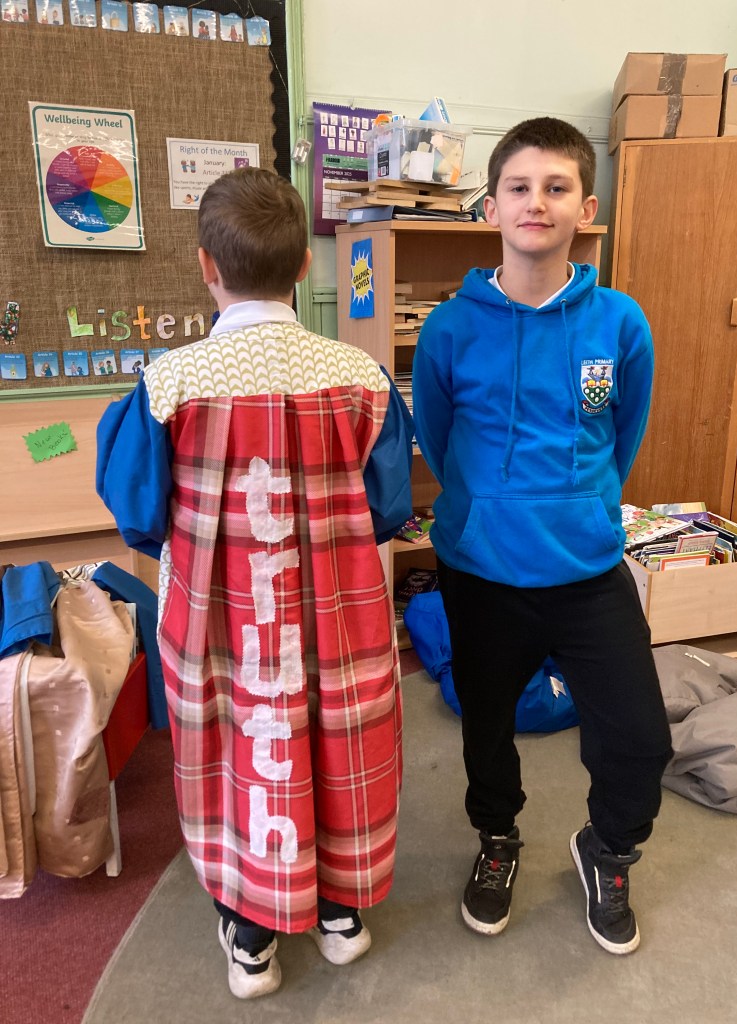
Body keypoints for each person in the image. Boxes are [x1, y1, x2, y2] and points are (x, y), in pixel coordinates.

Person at [96, 167, 414, 998]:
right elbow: (389, 507)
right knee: (339, 742)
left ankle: (252, 938)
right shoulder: (360, 376)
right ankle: (340, 913)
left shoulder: (170, 382)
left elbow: (137, 513)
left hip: (220, 623)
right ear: (305, 266)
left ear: (206, 266)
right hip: (338, 614)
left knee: (237, 750)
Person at [412, 117, 673, 956]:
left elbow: (622, 436)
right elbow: (438, 440)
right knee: (486, 727)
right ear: (491, 207)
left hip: (587, 568)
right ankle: (498, 839)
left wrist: (580, 503)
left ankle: (609, 850)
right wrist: (489, 509)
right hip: (482, 571)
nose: (537, 202)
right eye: (519, 187)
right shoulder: (451, 327)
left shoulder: (619, 323)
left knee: (639, 736)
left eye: (556, 187)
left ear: (584, 208)